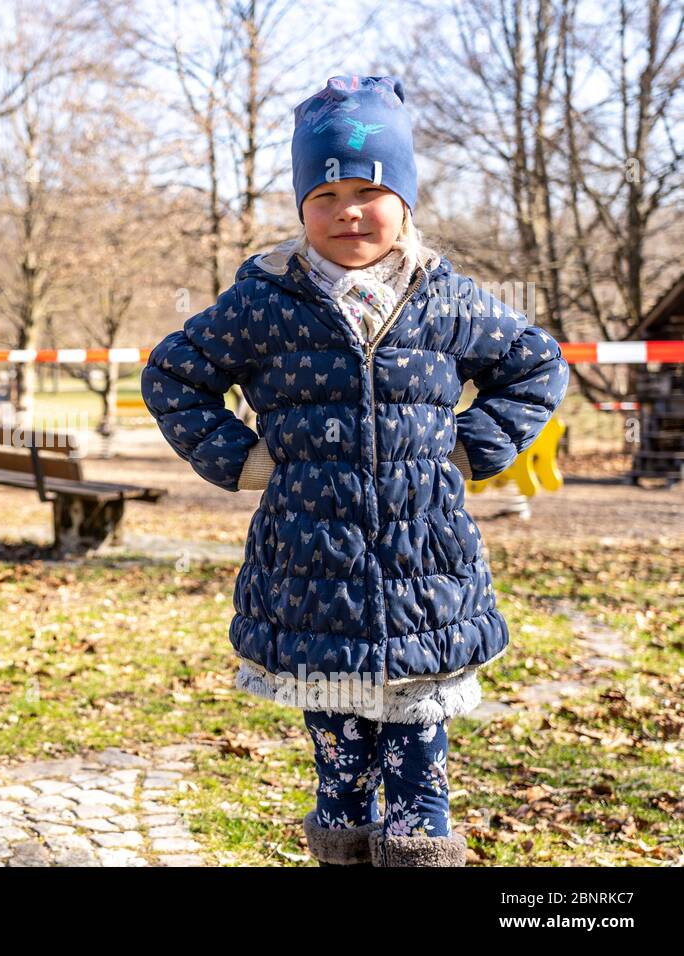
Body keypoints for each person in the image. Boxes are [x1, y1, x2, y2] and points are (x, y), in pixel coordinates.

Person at [141, 75, 570, 867]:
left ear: (404, 199)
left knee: (419, 793)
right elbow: (174, 374)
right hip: (314, 586)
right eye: (324, 192)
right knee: (340, 780)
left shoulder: (446, 300)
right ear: (301, 206)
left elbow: (536, 364)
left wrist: (474, 445)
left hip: (425, 589)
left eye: (368, 189)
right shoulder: (266, 301)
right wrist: (244, 459)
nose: (346, 210)